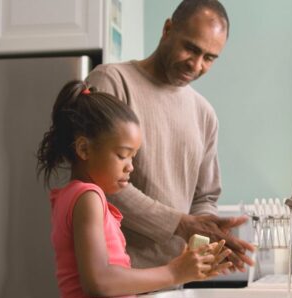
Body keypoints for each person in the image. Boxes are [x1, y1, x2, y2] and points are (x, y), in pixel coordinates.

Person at [86, 0, 254, 272]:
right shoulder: (112, 81)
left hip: (173, 279)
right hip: (114, 277)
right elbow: (98, 179)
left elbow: (205, 197)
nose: (196, 65)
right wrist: (180, 224)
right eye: (191, 48)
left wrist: (208, 234)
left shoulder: (205, 114)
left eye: (209, 58)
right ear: (167, 29)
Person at [36, 80, 232, 298]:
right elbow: (99, 281)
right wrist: (173, 272)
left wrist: (182, 270)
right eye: (122, 155)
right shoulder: (88, 197)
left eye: (133, 156)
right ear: (84, 149)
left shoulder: (74, 196)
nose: (130, 166)